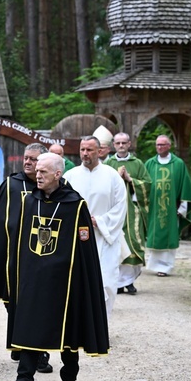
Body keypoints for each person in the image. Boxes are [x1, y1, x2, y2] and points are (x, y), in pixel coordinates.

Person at [0, 152, 109, 381]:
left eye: (43, 172)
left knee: (68, 330)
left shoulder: (75, 205)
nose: (37, 175)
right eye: (36, 171)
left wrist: (80, 281)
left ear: (57, 174)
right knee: (29, 327)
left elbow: (84, 248)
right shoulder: (29, 202)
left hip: (65, 281)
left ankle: (69, 378)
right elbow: (19, 243)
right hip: (34, 280)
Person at [0, 142, 53, 373]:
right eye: (26, 158)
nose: (28, 162)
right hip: (12, 258)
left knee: (34, 306)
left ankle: (38, 353)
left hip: (38, 257)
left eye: (34, 159)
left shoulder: (49, 187)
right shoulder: (11, 185)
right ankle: (20, 344)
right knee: (14, 304)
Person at [63, 136, 127, 318]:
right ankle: (80, 328)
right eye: (82, 149)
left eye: (89, 150)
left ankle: (101, 326)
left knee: (106, 281)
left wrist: (98, 221)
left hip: (105, 237)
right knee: (77, 281)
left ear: (99, 151)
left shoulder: (112, 176)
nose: (85, 153)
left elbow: (121, 206)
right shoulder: (70, 176)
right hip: (76, 237)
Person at [144, 134, 191, 277]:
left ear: (169, 146)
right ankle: (154, 265)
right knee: (155, 235)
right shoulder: (150, 164)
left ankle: (166, 267)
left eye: (162, 145)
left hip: (171, 208)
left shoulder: (178, 164)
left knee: (169, 236)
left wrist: (183, 207)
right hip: (154, 207)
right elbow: (143, 184)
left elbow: (185, 186)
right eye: (157, 145)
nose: (159, 147)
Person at [104, 132, 152, 295]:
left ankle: (130, 282)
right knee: (116, 245)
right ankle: (118, 283)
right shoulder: (108, 163)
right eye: (118, 143)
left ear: (129, 144)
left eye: (124, 143)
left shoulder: (137, 163)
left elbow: (148, 185)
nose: (121, 146)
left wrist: (130, 179)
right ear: (113, 145)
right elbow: (103, 186)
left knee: (134, 245)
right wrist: (117, 178)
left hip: (132, 211)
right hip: (114, 211)